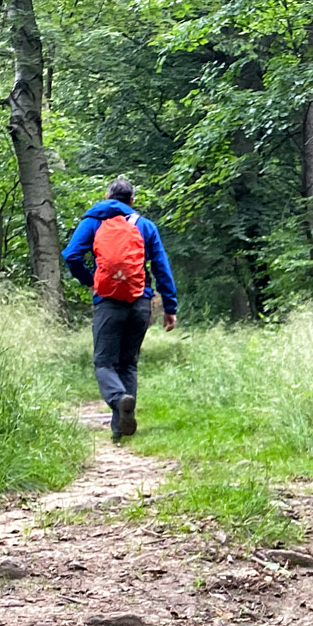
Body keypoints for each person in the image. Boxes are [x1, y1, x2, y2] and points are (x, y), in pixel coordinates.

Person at [62, 175, 177, 440]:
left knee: (104, 362)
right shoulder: (145, 226)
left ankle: (118, 400)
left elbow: (71, 255)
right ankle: (121, 427)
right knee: (128, 364)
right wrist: (170, 307)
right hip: (140, 302)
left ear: (107, 198)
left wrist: (91, 281)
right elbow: (161, 267)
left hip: (108, 303)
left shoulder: (93, 222)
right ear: (132, 201)